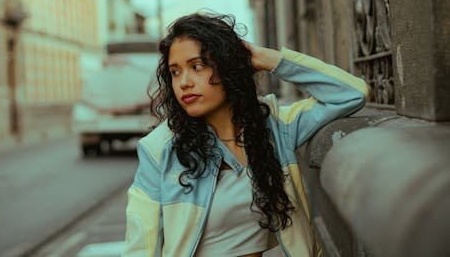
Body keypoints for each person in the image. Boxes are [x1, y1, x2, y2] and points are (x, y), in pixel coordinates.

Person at [122, 13, 369, 257]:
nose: (184, 82)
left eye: (196, 66)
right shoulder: (162, 150)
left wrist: (268, 59)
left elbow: (351, 93)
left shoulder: (274, 129)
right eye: (175, 72)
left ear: (227, 66)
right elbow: (141, 245)